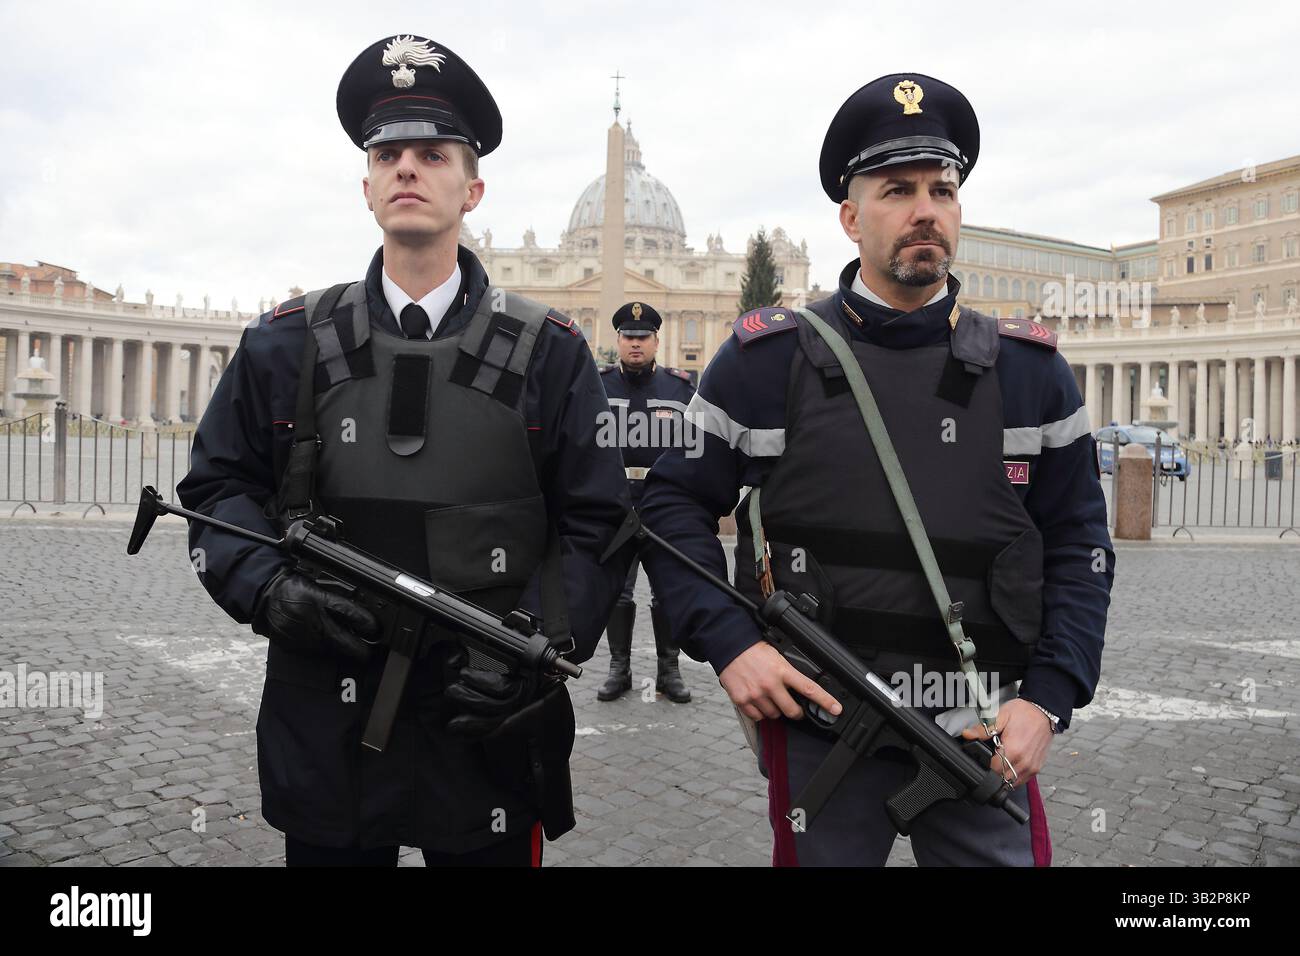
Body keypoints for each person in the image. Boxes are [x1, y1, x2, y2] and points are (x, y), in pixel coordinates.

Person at [177, 34, 630, 867]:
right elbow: (217, 489)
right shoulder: (284, 344)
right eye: (388, 153)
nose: (407, 169)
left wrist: (535, 643)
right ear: (366, 184)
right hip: (328, 708)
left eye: (433, 152)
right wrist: (269, 589)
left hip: (484, 713)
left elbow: (598, 523)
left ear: (474, 185)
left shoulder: (552, 351)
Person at [638, 73, 1113, 866]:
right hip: (825, 724)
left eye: (942, 188)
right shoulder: (765, 362)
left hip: (984, 729)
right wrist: (730, 644)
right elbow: (670, 510)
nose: (926, 208)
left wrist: (1049, 700)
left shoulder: (1033, 374)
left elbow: (1079, 545)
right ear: (851, 217)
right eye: (898, 189)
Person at [595, 302, 697, 703]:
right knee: (617, 592)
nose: (635, 344)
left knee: (666, 591)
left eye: (643, 338)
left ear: (657, 341)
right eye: (628, 337)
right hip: (615, 506)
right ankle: (618, 668)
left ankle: (668, 671)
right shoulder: (597, 386)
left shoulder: (679, 388)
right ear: (618, 341)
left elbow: (695, 447)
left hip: (662, 504)